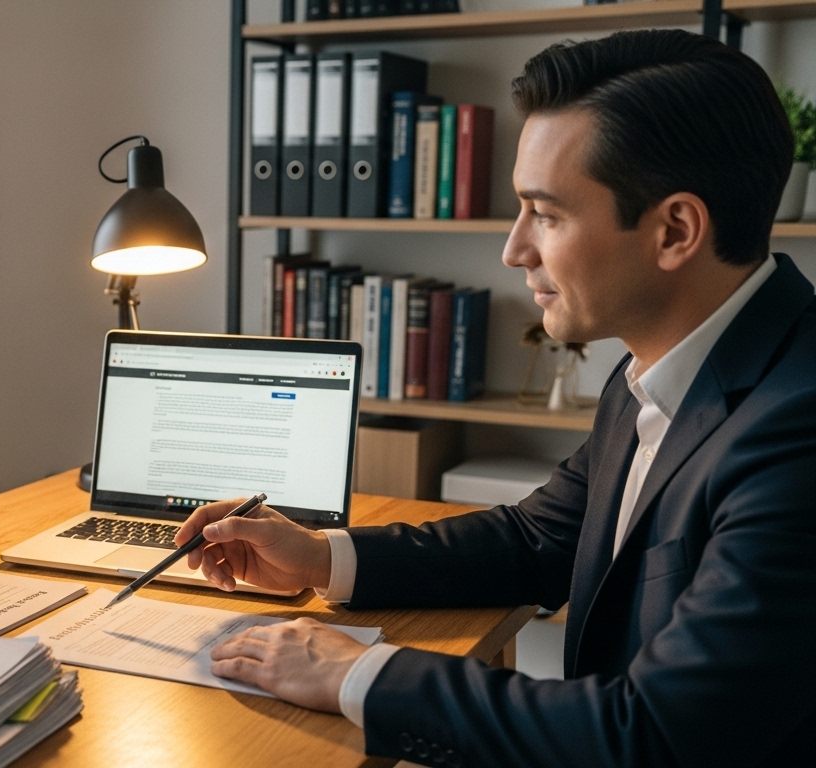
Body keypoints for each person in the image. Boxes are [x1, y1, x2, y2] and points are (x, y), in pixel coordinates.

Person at [177, 29, 815, 767]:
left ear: (675, 230)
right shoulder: (663, 364)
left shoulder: (795, 428)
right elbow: (538, 540)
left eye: (545, 214)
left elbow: (659, 736)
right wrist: (322, 558)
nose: (514, 250)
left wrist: (353, 673)